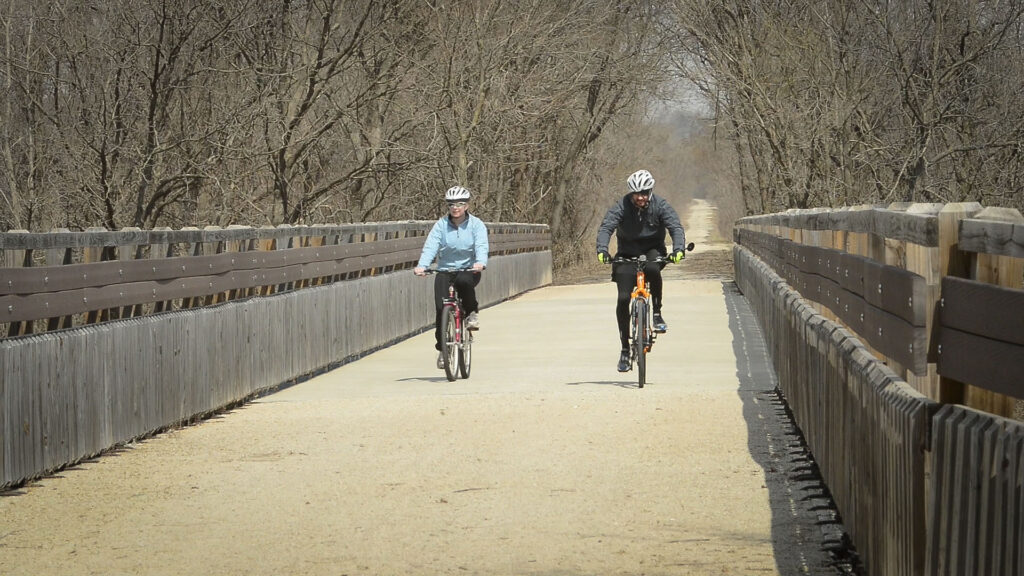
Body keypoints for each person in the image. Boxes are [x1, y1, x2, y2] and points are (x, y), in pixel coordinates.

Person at [596, 169, 687, 372]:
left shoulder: (660, 205)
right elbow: (606, 228)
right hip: (627, 253)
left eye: (645, 193)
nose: (641, 197)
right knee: (622, 299)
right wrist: (602, 249)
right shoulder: (621, 207)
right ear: (631, 193)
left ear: (650, 191)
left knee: (653, 268)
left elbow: (675, 227)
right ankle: (625, 350)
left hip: (653, 251)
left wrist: (678, 249)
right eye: (637, 193)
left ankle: (657, 313)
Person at [414, 185, 489, 369]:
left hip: (469, 269)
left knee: (464, 281)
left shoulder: (476, 225)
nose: (455, 207)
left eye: (460, 204)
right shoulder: (441, 225)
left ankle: (471, 313)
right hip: (445, 270)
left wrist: (480, 262)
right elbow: (431, 246)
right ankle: (442, 350)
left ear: (467, 206)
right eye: (451, 204)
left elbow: (481, 245)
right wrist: (422, 265)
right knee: (441, 309)